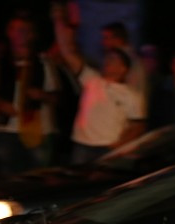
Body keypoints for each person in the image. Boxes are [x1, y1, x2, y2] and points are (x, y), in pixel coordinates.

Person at [53, 11, 145, 164]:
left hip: (107, 147)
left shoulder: (131, 94)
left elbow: (138, 124)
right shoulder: (92, 79)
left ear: (123, 68)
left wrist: (120, 145)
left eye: (113, 59)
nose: (108, 61)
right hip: (82, 145)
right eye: (107, 58)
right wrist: (58, 20)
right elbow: (68, 53)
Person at [0, 11, 61, 174]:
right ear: (9, 32)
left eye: (25, 30)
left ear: (32, 34)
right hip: (6, 130)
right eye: (17, 29)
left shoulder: (43, 62)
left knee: (38, 175)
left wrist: (42, 95)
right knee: (6, 176)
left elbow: (58, 97)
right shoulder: (0, 61)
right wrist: (0, 103)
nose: (21, 34)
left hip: (38, 131)